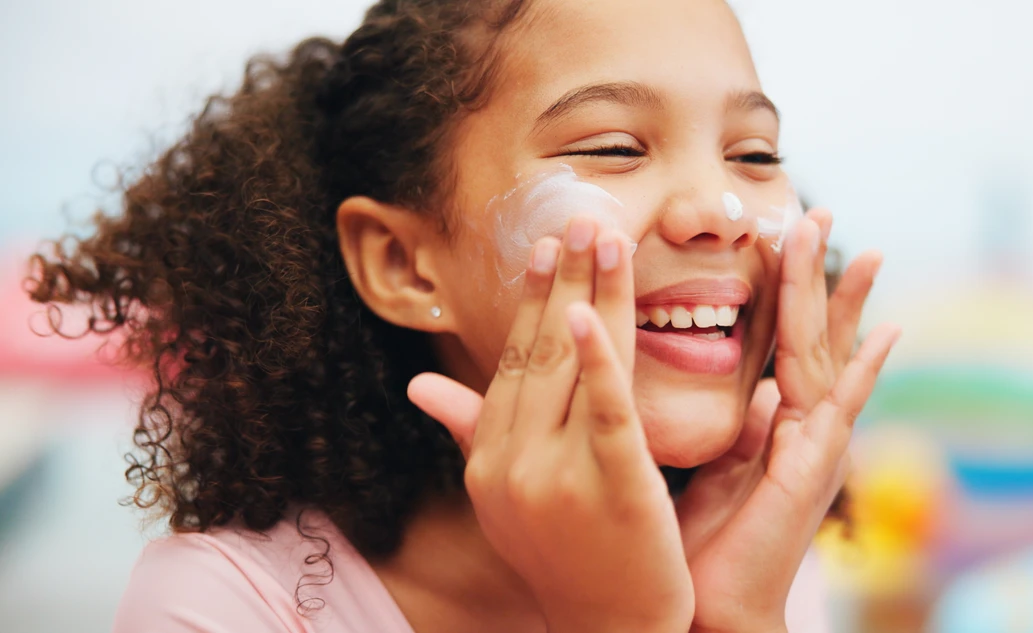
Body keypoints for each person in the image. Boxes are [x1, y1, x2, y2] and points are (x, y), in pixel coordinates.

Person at [27, 0, 899, 631]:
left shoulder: (759, 560)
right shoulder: (226, 605)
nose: (722, 209)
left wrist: (739, 615)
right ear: (403, 263)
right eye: (613, 147)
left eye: (754, 154)